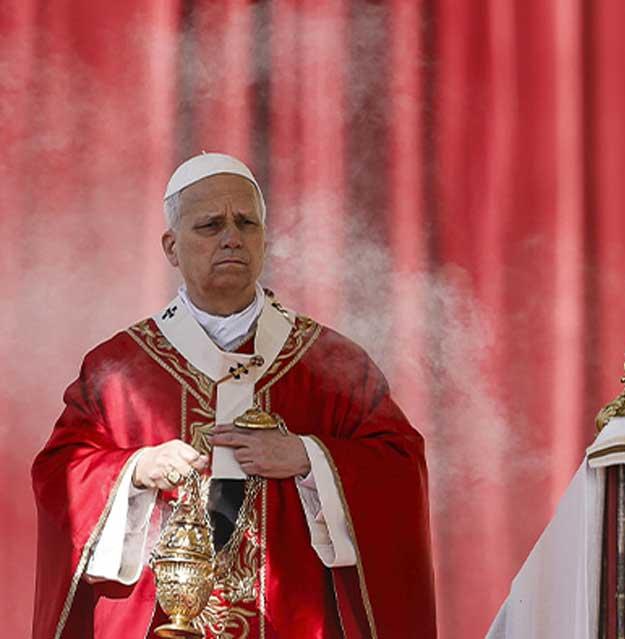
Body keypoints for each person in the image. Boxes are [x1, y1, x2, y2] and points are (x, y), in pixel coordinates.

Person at [31, 153, 436, 639]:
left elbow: (398, 463)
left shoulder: (330, 364)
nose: (231, 237)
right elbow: (59, 472)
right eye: (209, 224)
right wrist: (136, 470)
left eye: (246, 222)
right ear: (171, 247)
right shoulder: (118, 368)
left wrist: (308, 457)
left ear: (264, 239)